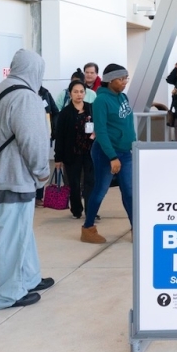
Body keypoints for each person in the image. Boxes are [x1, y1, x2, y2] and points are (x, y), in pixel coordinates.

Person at [0, 49, 54, 309]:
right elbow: (33, 141)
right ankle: (6, 295)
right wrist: (42, 171)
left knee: (19, 232)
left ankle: (29, 277)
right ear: (35, 70)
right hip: (14, 176)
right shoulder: (25, 97)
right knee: (9, 238)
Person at [81, 64, 135, 244]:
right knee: (100, 190)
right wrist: (112, 157)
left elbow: (127, 125)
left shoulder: (123, 97)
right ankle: (88, 228)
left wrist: (133, 145)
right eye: (121, 79)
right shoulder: (101, 101)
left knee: (129, 191)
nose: (125, 82)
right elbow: (101, 131)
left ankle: (136, 228)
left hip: (125, 152)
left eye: (126, 78)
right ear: (111, 81)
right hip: (106, 152)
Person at [54, 81, 95, 219]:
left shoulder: (91, 108)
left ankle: (91, 211)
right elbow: (60, 136)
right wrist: (58, 158)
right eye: (76, 92)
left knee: (90, 183)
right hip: (72, 153)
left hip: (90, 153)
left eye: (81, 91)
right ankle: (77, 210)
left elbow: (99, 126)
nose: (79, 94)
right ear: (70, 93)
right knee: (74, 183)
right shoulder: (65, 113)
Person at [35, 84, 60, 208]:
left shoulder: (45, 93)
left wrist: (53, 129)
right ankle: (28, 195)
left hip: (44, 135)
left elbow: (55, 111)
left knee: (41, 164)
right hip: (28, 135)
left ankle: (39, 196)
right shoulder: (23, 92)